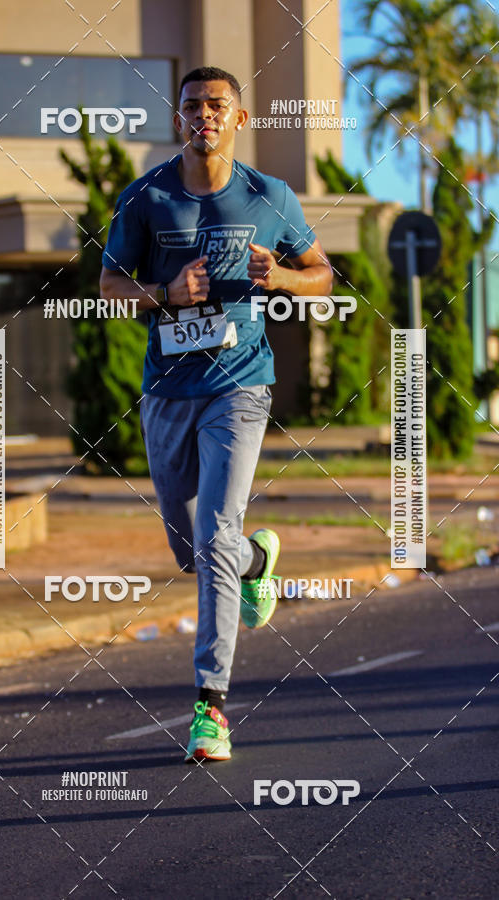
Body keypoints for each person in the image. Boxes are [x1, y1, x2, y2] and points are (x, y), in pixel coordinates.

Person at [100, 66, 333, 762]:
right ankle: (259, 561)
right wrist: (165, 292)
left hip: (241, 384)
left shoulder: (271, 196)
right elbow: (110, 287)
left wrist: (283, 277)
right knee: (188, 545)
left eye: (217, 105)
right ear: (179, 119)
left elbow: (321, 276)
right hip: (168, 389)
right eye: (192, 105)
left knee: (213, 530)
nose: (204, 114)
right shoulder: (146, 196)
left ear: (240, 118)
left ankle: (211, 709)